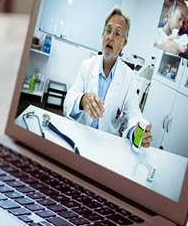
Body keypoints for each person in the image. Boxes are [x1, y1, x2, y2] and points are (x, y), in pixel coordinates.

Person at [63, 8, 154, 146]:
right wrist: (82, 100)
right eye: (108, 30)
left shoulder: (129, 77)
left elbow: (134, 113)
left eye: (117, 33)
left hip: (107, 144)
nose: (110, 37)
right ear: (103, 34)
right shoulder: (86, 66)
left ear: (124, 43)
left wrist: (137, 133)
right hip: (81, 136)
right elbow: (69, 99)